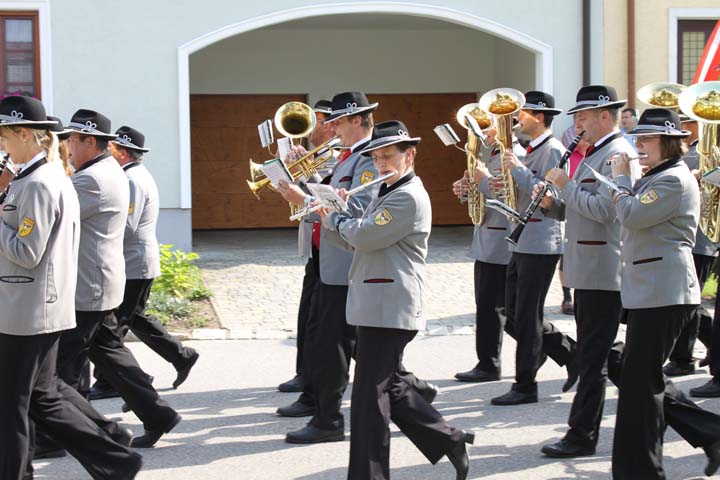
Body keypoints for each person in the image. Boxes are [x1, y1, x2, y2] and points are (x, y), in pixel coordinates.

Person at [320, 120, 474, 480]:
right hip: (376, 301)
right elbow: (356, 239)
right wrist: (336, 216)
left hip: (390, 305)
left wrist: (337, 217)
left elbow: (366, 236)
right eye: (376, 157)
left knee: (368, 398)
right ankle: (449, 439)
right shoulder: (386, 191)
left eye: (389, 156)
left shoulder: (407, 196)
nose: (381, 164)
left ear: (410, 156)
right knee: (388, 386)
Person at [0, 95, 143, 480]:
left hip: (27, 310)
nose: (0, 142)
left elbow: (26, 252)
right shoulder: (35, 177)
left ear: (25, 134)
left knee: (13, 403)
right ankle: (116, 458)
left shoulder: (39, 184)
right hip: (33, 306)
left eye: (4, 134)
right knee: (43, 397)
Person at [57, 109, 181, 449]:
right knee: (111, 355)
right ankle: (158, 415)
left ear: (89, 141)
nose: (67, 145)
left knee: (57, 368)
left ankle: (69, 434)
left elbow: (54, 214)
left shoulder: (91, 178)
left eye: (71, 139)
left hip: (89, 285)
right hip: (101, 280)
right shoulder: (107, 168)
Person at [609, 108, 720, 478]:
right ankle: (710, 433)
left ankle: (641, 471)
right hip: (650, 290)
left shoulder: (671, 179)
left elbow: (632, 215)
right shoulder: (659, 174)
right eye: (637, 138)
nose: (638, 145)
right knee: (634, 374)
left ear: (670, 142)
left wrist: (622, 180)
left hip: (664, 292)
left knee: (640, 387)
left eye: (647, 139)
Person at [539, 85, 636, 458]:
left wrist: (567, 185)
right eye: (575, 118)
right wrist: (553, 204)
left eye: (582, 117)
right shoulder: (594, 152)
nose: (576, 124)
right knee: (604, 356)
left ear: (605, 116)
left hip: (603, 267)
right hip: (587, 265)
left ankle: (581, 436)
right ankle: (690, 420)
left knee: (593, 359)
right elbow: (579, 206)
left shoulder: (619, 153)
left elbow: (608, 211)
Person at [86, 126, 199, 402]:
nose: (108, 154)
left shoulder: (133, 180)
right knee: (132, 318)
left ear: (123, 152)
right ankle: (181, 356)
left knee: (116, 324)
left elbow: (126, 224)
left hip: (134, 262)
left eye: (112, 150)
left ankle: (111, 380)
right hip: (134, 261)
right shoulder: (130, 175)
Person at [488, 91, 577, 406]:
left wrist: (518, 170)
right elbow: (524, 193)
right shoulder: (531, 149)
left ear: (539, 117)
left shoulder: (553, 149)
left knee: (525, 316)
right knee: (513, 314)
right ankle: (572, 354)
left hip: (541, 241)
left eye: (521, 113)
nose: (516, 119)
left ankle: (526, 385)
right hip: (522, 239)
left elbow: (549, 200)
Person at [277, 99, 336, 395]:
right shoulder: (314, 153)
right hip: (315, 244)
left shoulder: (337, 156)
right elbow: (298, 197)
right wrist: (285, 172)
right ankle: (304, 372)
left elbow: (324, 194)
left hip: (332, 244)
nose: (312, 128)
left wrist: (302, 171)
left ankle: (397, 378)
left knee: (326, 321)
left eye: (319, 121)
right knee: (308, 314)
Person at [664, 114, 718, 379]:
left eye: (688, 120)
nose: (684, 126)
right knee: (690, 299)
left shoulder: (707, 151)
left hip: (702, 236)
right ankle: (705, 347)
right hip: (691, 235)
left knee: (689, 299)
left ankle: (683, 357)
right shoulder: (694, 150)